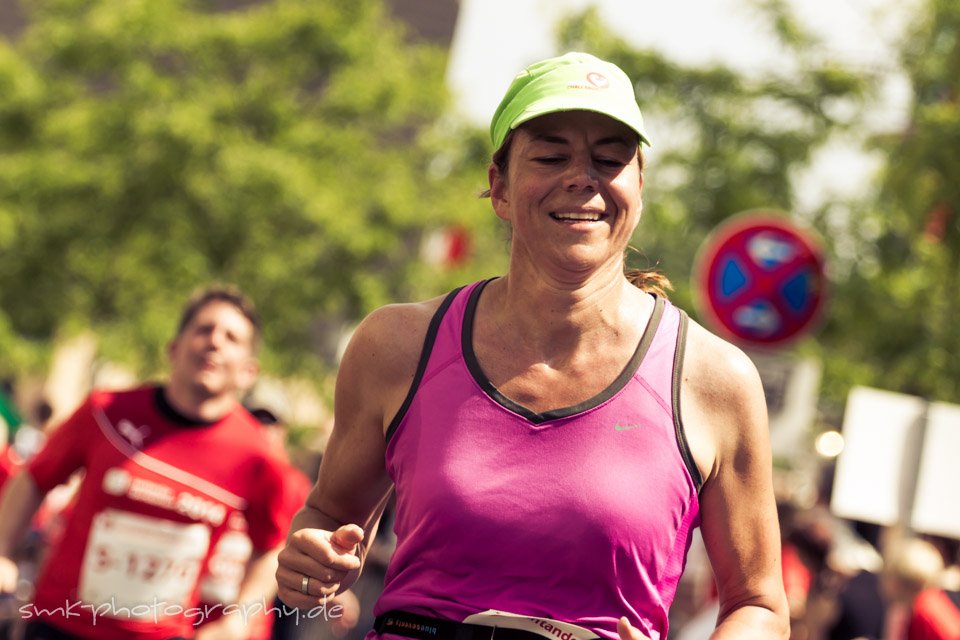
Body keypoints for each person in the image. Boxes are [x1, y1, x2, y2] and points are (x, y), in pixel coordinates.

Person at [276, 52, 789, 640]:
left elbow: (759, 604)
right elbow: (327, 517)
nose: (582, 177)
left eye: (610, 159)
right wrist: (312, 559)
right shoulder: (397, 345)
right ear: (498, 186)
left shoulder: (713, 378)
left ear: (639, 188)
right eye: (551, 155)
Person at [0, 284, 304, 640]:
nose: (215, 342)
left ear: (248, 372)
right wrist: (3, 550)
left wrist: (239, 616)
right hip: (61, 625)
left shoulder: (259, 456)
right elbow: (35, 479)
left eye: (231, 338)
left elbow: (271, 548)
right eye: (204, 329)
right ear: (173, 349)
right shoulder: (106, 411)